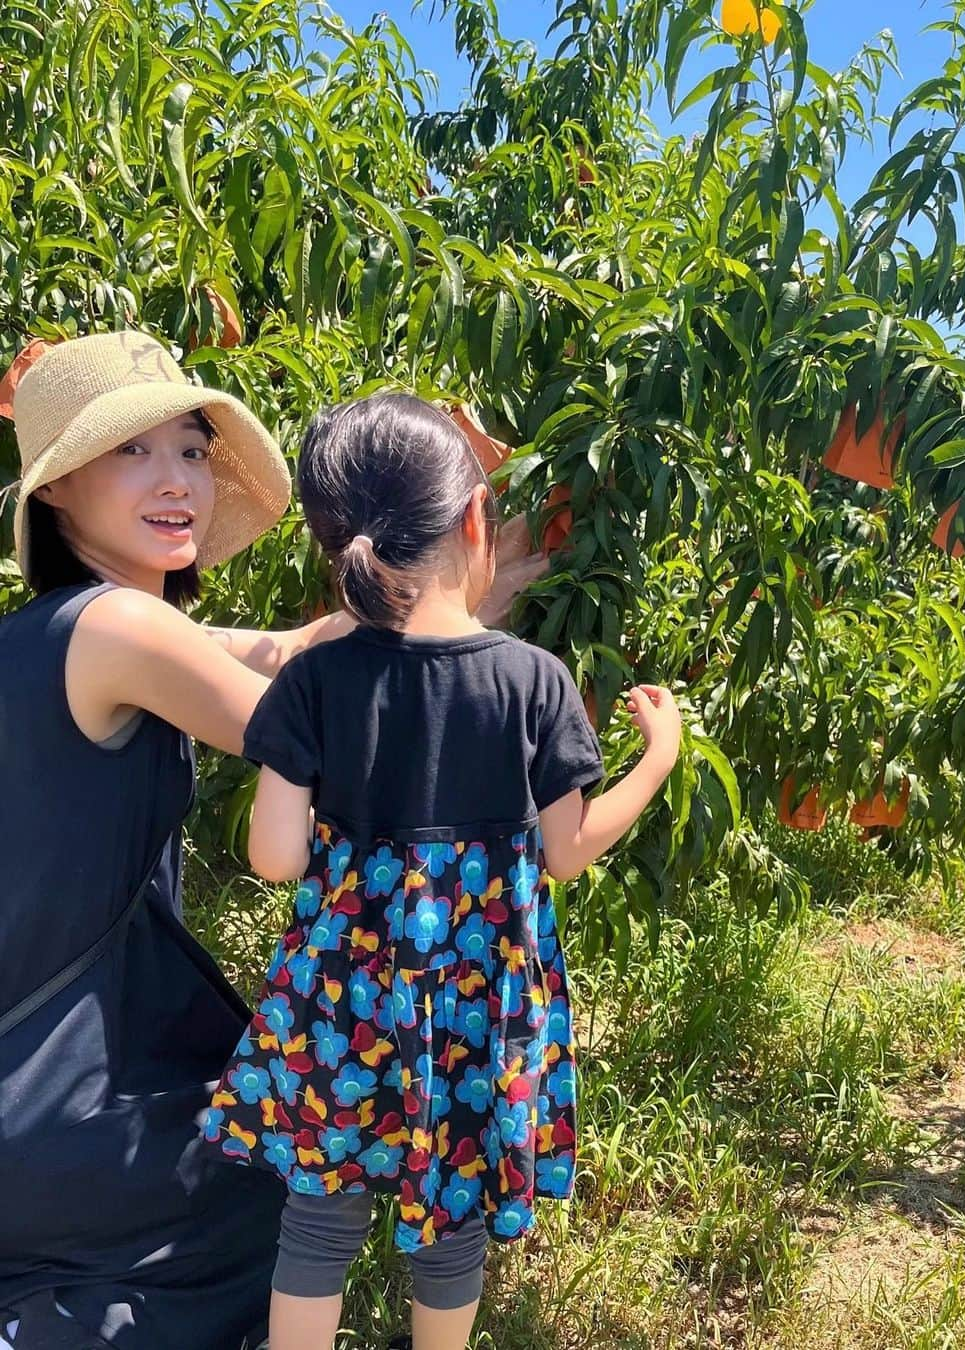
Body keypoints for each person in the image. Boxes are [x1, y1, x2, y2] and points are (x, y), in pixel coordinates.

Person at [0, 333, 548, 1350]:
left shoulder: (70, 627)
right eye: (134, 453)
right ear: (59, 489)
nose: (178, 483)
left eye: (193, 452)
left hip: (35, 1070)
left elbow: (298, 653)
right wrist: (475, 634)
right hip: (58, 1099)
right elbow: (329, 738)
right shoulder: (124, 628)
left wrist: (441, 563)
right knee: (282, 1157)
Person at [199, 394, 683, 1350]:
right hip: (476, 1003)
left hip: (340, 1007)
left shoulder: (314, 680)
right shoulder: (532, 681)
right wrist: (658, 756)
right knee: (454, 1220)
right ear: (475, 522)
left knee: (319, 1213)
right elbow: (568, 855)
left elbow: (273, 857)